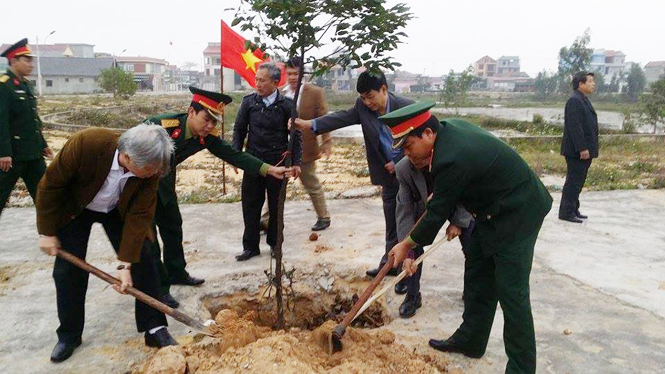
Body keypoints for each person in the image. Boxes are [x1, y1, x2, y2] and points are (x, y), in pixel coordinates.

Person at [386, 101, 552, 374]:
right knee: (477, 271)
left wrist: (407, 244)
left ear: (427, 134)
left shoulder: (450, 156)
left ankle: (522, 369)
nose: (406, 154)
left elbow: (437, 212)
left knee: (512, 292)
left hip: (518, 213)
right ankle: (471, 339)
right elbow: (449, 194)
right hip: (490, 212)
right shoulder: (447, 133)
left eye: (408, 146)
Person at [36, 124, 178, 363]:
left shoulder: (151, 169)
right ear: (128, 158)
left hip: (118, 211)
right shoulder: (87, 144)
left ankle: (154, 328)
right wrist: (47, 232)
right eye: (150, 169)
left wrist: (125, 264)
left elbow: (140, 215)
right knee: (68, 272)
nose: (155, 173)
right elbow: (50, 186)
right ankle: (69, 335)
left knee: (144, 257)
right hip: (76, 209)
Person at [144, 86, 291, 307]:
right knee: (150, 240)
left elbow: (233, 154)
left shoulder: (204, 136)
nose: (211, 126)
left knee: (173, 227)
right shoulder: (159, 127)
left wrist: (269, 169)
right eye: (207, 119)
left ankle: (176, 273)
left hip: (165, 187)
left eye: (215, 122)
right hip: (142, 189)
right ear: (191, 112)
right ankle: (159, 290)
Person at [292, 71, 412, 279]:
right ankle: (389, 264)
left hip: (410, 175)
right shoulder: (362, 108)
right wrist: (310, 124)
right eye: (363, 98)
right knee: (391, 221)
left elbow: (421, 140)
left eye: (370, 96)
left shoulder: (407, 107)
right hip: (388, 177)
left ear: (384, 89)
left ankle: (407, 275)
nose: (366, 102)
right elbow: (341, 118)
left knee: (408, 224)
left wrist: (400, 162)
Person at [232, 63, 302, 261]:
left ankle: (275, 244)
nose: (258, 84)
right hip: (253, 163)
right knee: (250, 206)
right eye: (256, 80)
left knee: (276, 207)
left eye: (262, 80)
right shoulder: (248, 103)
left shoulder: (287, 105)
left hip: (278, 164)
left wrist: (296, 162)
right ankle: (250, 246)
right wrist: (236, 156)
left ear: (274, 82)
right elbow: (239, 130)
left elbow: (295, 136)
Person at [394, 156, 475, 318]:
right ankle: (412, 296)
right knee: (411, 247)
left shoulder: (449, 158)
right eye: (405, 150)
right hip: (425, 208)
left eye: (411, 146)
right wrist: (407, 253)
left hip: (458, 203)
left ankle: (473, 293)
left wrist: (458, 222)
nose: (410, 154)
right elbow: (404, 212)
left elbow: (467, 190)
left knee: (473, 248)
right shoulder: (403, 169)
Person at [259, 57, 332, 232]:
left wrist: (326, 142)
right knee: (275, 184)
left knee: (310, 182)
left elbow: (324, 119)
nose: (292, 77)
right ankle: (266, 220)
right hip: (281, 148)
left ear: (302, 74)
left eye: (296, 74)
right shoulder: (281, 93)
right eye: (289, 73)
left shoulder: (314, 92)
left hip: (305, 146)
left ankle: (324, 216)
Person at [0, 38, 53, 217]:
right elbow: (1, 120)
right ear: (14, 61)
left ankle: (54, 236)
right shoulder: (4, 85)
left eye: (31, 60)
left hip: (33, 155)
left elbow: (32, 119)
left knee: (46, 197)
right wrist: (3, 152)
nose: (31, 64)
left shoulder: (25, 84)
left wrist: (43, 144)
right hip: (11, 157)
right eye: (27, 60)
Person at [559, 71, 598, 223]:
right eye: (590, 81)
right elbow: (575, 127)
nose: (593, 84)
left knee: (578, 181)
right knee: (573, 182)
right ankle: (566, 212)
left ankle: (574, 208)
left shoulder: (583, 99)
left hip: (584, 150)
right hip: (577, 151)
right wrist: (582, 148)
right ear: (581, 84)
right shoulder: (574, 100)